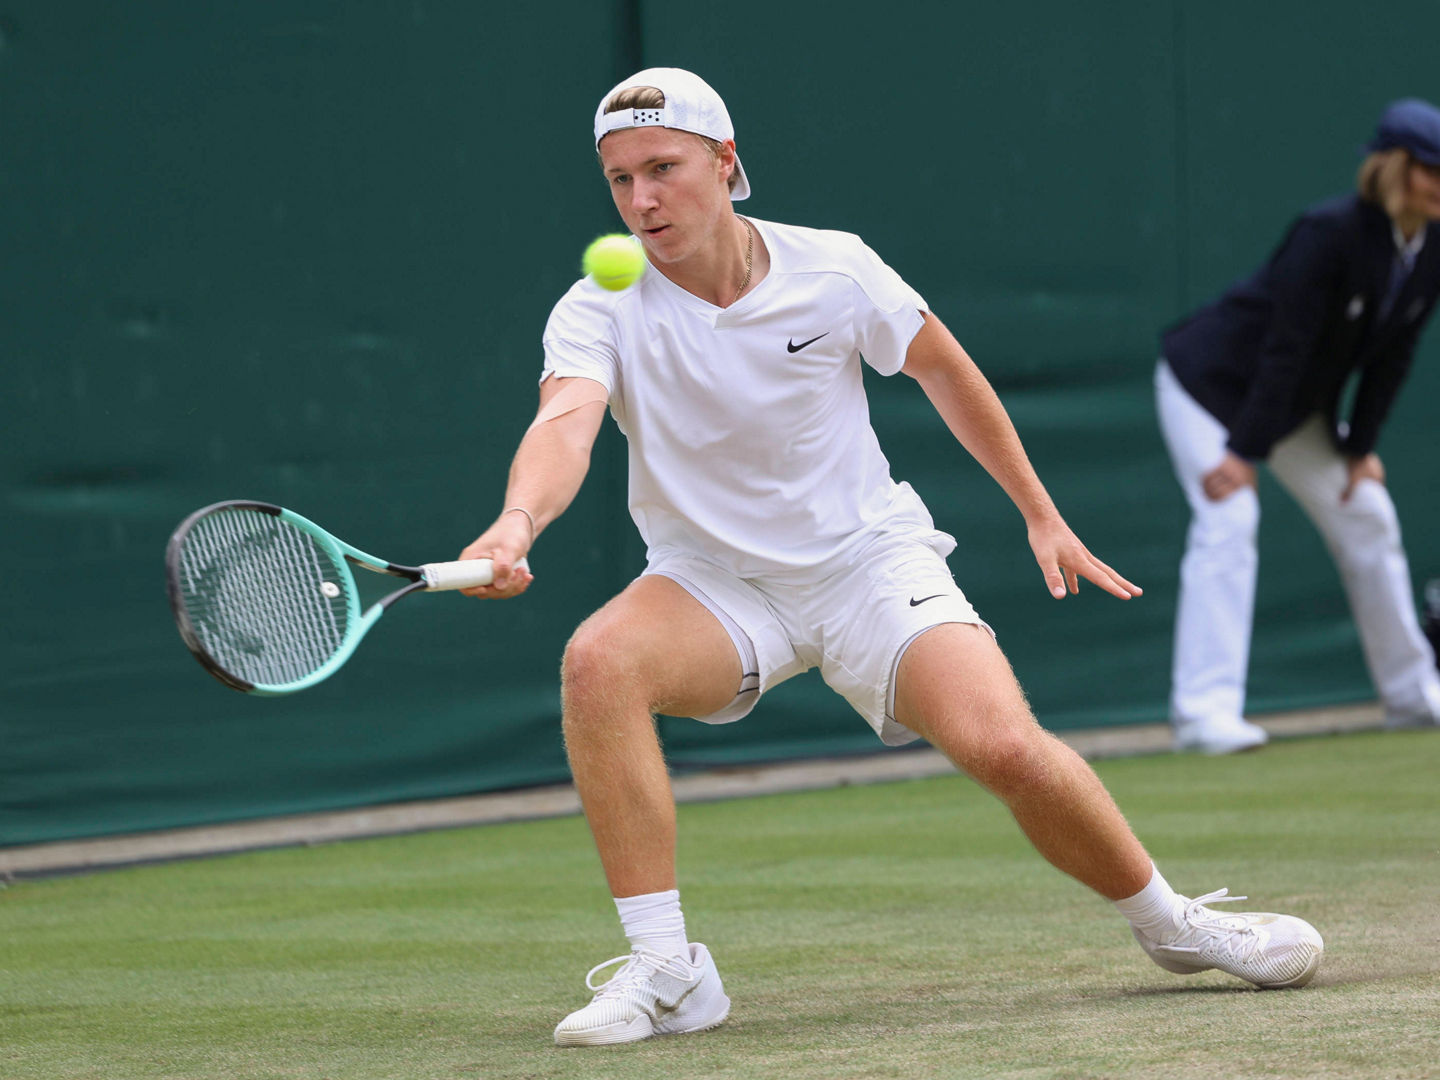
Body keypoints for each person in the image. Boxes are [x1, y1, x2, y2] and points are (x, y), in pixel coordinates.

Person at [459, 68, 1324, 1046]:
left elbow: (946, 371)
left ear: (725, 163)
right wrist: (517, 522)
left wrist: (1040, 512)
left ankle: (1171, 925)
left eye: (663, 168)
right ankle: (668, 970)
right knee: (597, 662)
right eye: (620, 179)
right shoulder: (599, 305)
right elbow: (564, 425)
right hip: (713, 583)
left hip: (866, 563)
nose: (642, 199)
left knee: (1002, 745)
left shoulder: (834, 270)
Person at [1157, 98, 1440, 756]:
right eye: (1431, 170)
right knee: (1229, 518)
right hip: (1210, 387)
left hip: (1289, 409)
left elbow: (1394, 354)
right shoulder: (1329, 232)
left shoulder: (1430, 248)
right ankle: (1203, 714)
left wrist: (1360, 447)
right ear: (1395, 167)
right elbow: (1285, 348)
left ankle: (1411, 695)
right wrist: (1243, 454)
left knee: (1367, 508)